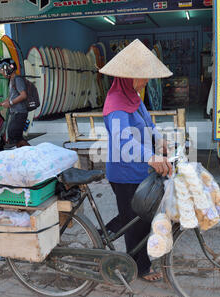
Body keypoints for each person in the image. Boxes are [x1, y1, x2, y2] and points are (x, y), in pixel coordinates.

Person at [98, 39, 173, 282]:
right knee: (136, 221)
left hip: (141, 170)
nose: (146, 81)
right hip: (124, 173)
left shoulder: (134, 97)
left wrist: (160, 141)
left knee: (140, 213)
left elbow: (149, 125)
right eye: (143, 76)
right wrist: (150, 156)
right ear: (127, 76)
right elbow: (124, 142)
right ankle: (139, 267)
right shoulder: (116, 105)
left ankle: (104, 232)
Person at [0, 58, 30, 148]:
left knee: (15, 137)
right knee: (16, 138)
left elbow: (23, 95)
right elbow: (9, 98)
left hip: (20, 113)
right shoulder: (12, 80)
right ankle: (24, 155)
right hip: (16, 113)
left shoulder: (17, 79)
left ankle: (35, 153)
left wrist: (10, 103)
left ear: (8, 69)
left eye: (2, 70)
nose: (2, 72)